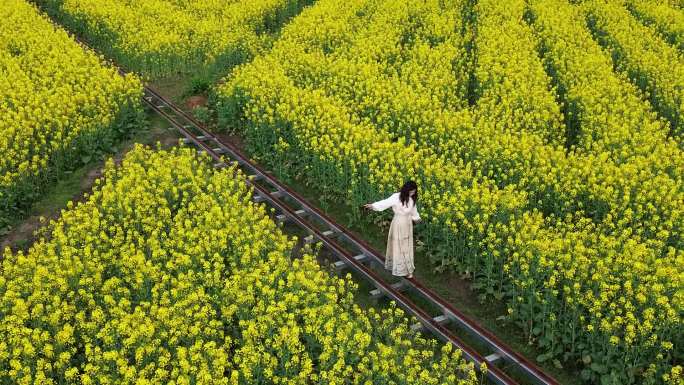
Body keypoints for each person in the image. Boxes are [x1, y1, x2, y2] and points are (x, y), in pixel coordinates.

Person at [363, 181, 420, 279]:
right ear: (406, 190)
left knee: (406, 246)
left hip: (407, 224)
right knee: (399, 245)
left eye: (414, 192)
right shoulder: (396, 197)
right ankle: (399, 268)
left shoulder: (412, 199)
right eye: (411, 192)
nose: (412, 194)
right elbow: (385, 203)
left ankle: (407, 270)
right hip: (398, 223)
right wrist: (372, 206)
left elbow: (414, 211)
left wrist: (417, 218)